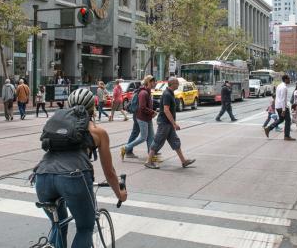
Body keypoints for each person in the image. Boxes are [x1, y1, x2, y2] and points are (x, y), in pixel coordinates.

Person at [33, 88, 127, 248]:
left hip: (42, 177)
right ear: (93, 109)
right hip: (73, 178)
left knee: (59, 225)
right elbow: (109, 171)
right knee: (84, 228)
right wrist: (120, 193)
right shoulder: (98, 132)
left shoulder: (58, 125)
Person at [144, 77, 195, 169]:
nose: (178, 84)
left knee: (175, 142)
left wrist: (172, 124)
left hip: (168, 124)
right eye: (177, 83)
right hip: (164, 123)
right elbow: (166, 110)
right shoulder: (167, 94)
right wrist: (174, 124)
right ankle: (148, 161)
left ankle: (184, 161)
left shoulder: (170, 93)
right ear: (172, 84)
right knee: (157, 141)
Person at [121, 75, 157, 160]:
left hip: (148, 118)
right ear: (149, 82)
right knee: (143, 137)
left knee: (151, 137)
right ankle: (126, 148)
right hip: (142, 118)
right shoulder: (143, 93)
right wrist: (153, 112)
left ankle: (151, 155)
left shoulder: (147, 92)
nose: (155, 83)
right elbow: (142, 107)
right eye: (154, 81)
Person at [264, 75, 295, 141]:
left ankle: (268, 128)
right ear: (286, 79)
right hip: (282, 107)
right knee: (288, 121)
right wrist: (284, 110)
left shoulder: (279, 85)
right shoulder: (284, 87)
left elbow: (278, 97)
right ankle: (286, 136)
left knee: (281, 119)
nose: (290, 80)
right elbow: (283, 99)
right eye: (289, 79)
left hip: (278, 106)